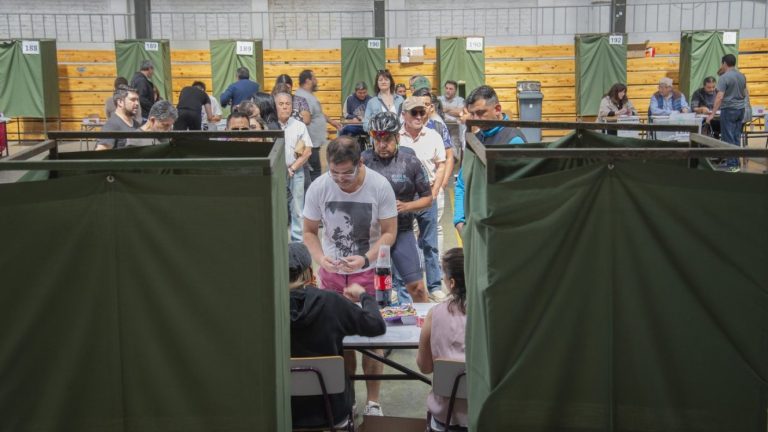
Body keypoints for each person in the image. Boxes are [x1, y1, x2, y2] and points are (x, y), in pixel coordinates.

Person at [303, 135, 397, 417]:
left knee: (372, 344)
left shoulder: (379, 186)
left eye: (347, 173)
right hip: (332, 276)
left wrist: (366, 258)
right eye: (335, 173)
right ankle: (347, 400)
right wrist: (321, 259)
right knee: (338, 342)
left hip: (369, 274)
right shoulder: (320, 187)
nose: (340, 180)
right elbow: (308, 231)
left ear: (360, 163)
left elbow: (390, 232)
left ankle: (373, 402)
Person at [288, 242, 386, 429]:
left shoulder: (267, 309)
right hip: (332, 409)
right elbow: (376, 325)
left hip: (285, 408)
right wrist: (364, 296)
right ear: (309, 272)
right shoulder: (330, 302)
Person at [362, 112, 432, 303]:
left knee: (417, 288)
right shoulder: (363, 161)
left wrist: (406, 206)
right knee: (366, 289)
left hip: (402, 230)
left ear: (397, 137)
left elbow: (428, 199)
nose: (382, 145)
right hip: (371, 234)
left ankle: (424, 330)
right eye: (377, 139)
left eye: (387, 139)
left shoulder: (411, 162)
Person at [454, 85, 527, 233]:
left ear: (497, 109)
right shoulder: (475, 139)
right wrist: (459, 220)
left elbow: (514, 194)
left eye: (481, 113)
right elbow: (462, 182)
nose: (475, 119)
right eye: (472, 114)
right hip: (475, 226)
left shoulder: (513, 141)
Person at [399, 96, 447, 303]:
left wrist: (434, 192)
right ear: (404, 115)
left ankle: (435, 286)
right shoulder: (396, 137)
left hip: (427, 195)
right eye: (414, 113)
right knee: (403, 243)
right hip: (404, 198)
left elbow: (441, 164)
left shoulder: (434, 135)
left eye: (422, 112)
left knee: (430, 243)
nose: (419, 116)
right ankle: (402, 285)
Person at [417, 247, 468, 429]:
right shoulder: (491, 315)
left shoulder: (435, 314)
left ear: (451, 282)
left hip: (444, 419)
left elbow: (424, 366)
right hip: (484, 416)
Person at [276, 91, 313, 242]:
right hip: (275, 173)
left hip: (295, 172)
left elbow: (308, 151)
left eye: (288, 104)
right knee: (277, 208)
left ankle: (298, 243)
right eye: (281, 104)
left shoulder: (299, 125)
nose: (285, 107)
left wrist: (293, 168)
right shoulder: (270, 125)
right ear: (275, 106)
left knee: (298, 209)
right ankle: (278, 242)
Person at [295, 69, 342, 182]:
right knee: (314, 173)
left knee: (315, 171)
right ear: (308, 81)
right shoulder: (303, 96)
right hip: (309, 142)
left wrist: (331, 122)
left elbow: (317, 113)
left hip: (315, 142)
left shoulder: (308, 95)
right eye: (314, 78)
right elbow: (306, 118)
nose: (316, 81)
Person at [708, 54, 748, 171]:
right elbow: (745, 93)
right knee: (736, 137)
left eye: (722, 63)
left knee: (728, 137)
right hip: (740, 110)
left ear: (724, 63)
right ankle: (736, 162)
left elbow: (719, 97)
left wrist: (712, 114)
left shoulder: (724, 77)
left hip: (729, 110)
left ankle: (732, 164)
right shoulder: (741, 76)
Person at [95, 85, 141, 151]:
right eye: (133, 100)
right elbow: (101, 153)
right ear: (120, 102)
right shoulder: (111, 126)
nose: (137, 103)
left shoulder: (136, 124)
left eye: (137, 100)